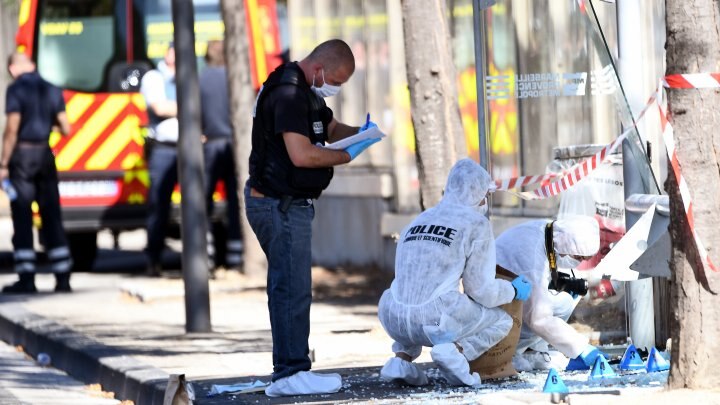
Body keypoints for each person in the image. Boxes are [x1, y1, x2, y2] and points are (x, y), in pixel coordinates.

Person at [245, 39, 382, 397]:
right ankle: (291, 373)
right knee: (291, 290)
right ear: (319, 69)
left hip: (286, 203)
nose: (336, 88)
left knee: (291, 286)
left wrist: (364, 134)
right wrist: (345, 158)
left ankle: (290, 369)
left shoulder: (306, 92)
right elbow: (302, 155)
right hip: (280, 205)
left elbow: (330, 128)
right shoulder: (289, 93)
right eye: (336, 80)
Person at [377, 159, 532, 387]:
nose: (485, 201)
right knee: (501, 322)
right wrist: (512, 289)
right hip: (435, 320)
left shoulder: (419, 219)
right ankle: (454, 353)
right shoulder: (476, 224)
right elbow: (481, 291)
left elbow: (411, 279)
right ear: (478, 192)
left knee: (416, 300)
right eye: (484, 195)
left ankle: (402, 360)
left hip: (392, 315)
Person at [495, 215, 607, 372]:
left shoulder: (550, 232)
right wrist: (581, 347)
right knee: (542, 312)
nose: (579, 262)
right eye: (578, 257)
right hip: (498, 311)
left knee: (563, 302)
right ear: (566, 245)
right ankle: (513, 351)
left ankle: (534, 349)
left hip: (507, 294)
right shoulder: (532, 258)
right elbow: (539, 318)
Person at [1, 52, 73, 293]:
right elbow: (66, 127)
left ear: (13, 69)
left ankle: (27, 278)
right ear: (32, 65)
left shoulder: (16, 90)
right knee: (51, 213)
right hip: (45, 154)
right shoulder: (52, 89)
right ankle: (63, 277)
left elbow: (12, 129)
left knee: (22, 214)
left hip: (22, 156)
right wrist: (45, 125)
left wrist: (3, 163)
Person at [199, 40, 242, 270]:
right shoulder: (233, 78)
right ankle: (236, 255)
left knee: (204, 201)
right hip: (233, 146)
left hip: (210, 145)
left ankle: (207, 255)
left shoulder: (201, 79)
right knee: (235, 201)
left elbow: (194, 113)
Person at [140, 44, 178, 276]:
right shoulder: (154, 77)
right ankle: (153, 259)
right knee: (158, 205)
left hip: (190, 147)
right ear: (167, 53)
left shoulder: (190, 74)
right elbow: (159, 107)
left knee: (200, 203)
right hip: (163, 149)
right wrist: (189, 104)